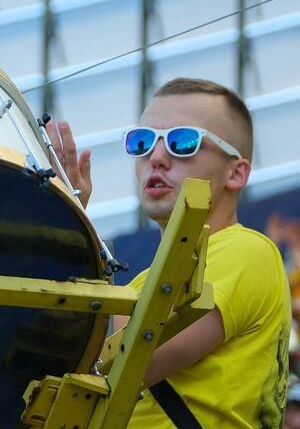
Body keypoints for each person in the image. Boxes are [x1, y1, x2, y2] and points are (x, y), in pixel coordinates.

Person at [48, 77, 289, 428]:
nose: (157, 157)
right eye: (143, 142)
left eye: (182, 142)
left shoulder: (249, 250)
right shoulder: (143, 286)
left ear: (236, 173)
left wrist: (64, 232)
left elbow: (129, 359)